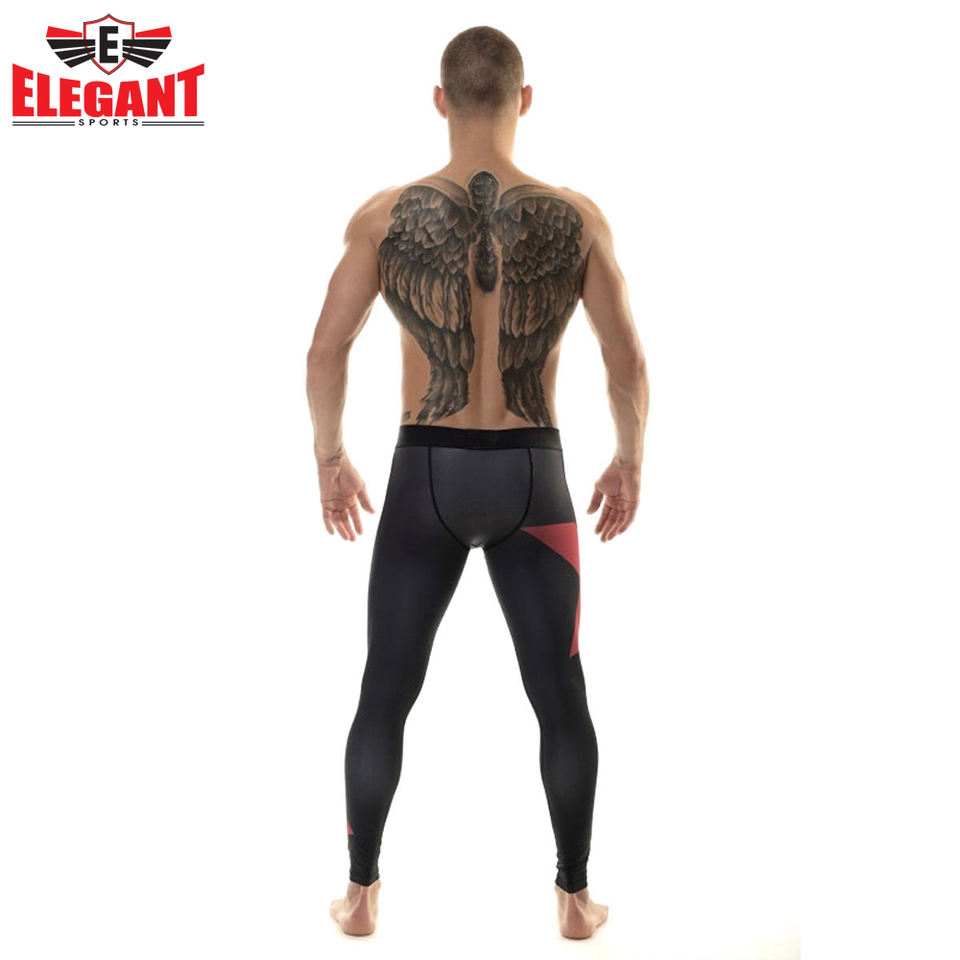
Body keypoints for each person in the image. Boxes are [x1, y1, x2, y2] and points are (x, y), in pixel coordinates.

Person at [305, 24, 649, 941]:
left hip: (426, 471)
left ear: (440, 101)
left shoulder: (385, 218)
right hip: (535, 476)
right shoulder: (575, 219)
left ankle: (361, 895)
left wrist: (330, 458)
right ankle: (574, 899)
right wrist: (629, 459)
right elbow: (625, 360)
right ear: (523, 100)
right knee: (561, 695)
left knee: (386, 690)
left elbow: (325, 352)